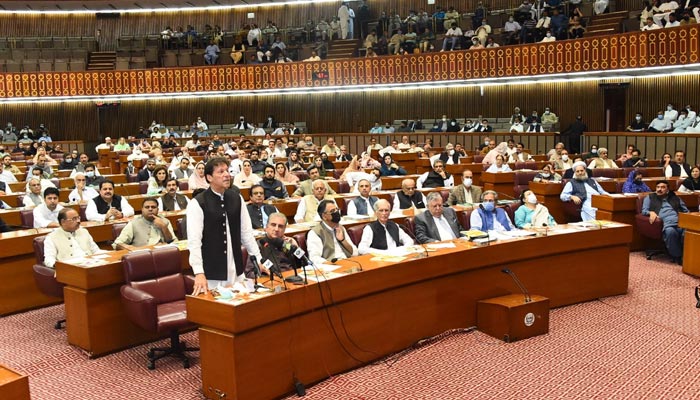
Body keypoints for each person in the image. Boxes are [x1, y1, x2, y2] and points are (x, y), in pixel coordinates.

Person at [187, 157, 263, 295]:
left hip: (236, 267)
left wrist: (258, 258)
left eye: (227, 170)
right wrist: (198, 272)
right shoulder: (197, 203)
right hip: (212, 270)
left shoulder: (236, 197)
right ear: (209, 177)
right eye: (221, 172)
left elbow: (246, 233)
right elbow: (194, 241)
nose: (227, 174)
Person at [642, 180, 689, 265]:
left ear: (667, 190)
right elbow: (644, 210)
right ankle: (678, 257)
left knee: (688, 233)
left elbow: (685, 211)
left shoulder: (675, 198)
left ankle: (688, 255)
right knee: (671, 232)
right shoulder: (650, 197)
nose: (660, 189)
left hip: (680, 222)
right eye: (658, 187)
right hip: (667, 224)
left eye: (663, 187)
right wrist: (651, 212)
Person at [244, 212, 302, 278]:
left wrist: (296, 247)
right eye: (273, 225)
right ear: (266, 227)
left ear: (284, 229)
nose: (276, 229)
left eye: (280, 226)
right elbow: (248, 274)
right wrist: (259, 269)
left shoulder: (286, 244)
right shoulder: (258, 246)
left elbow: (304, 263)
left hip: (290, 279)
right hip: (270, 281)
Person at [307, 199, 358, 265]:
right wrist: (330, 264)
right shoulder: (315, 233)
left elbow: (354, 252)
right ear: (324, 216)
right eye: (332, 211)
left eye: (337, 209)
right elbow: (314, 258)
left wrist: (343, 240)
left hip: (347, 262)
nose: (336, 212)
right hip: (330, 266)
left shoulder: (341, 228)